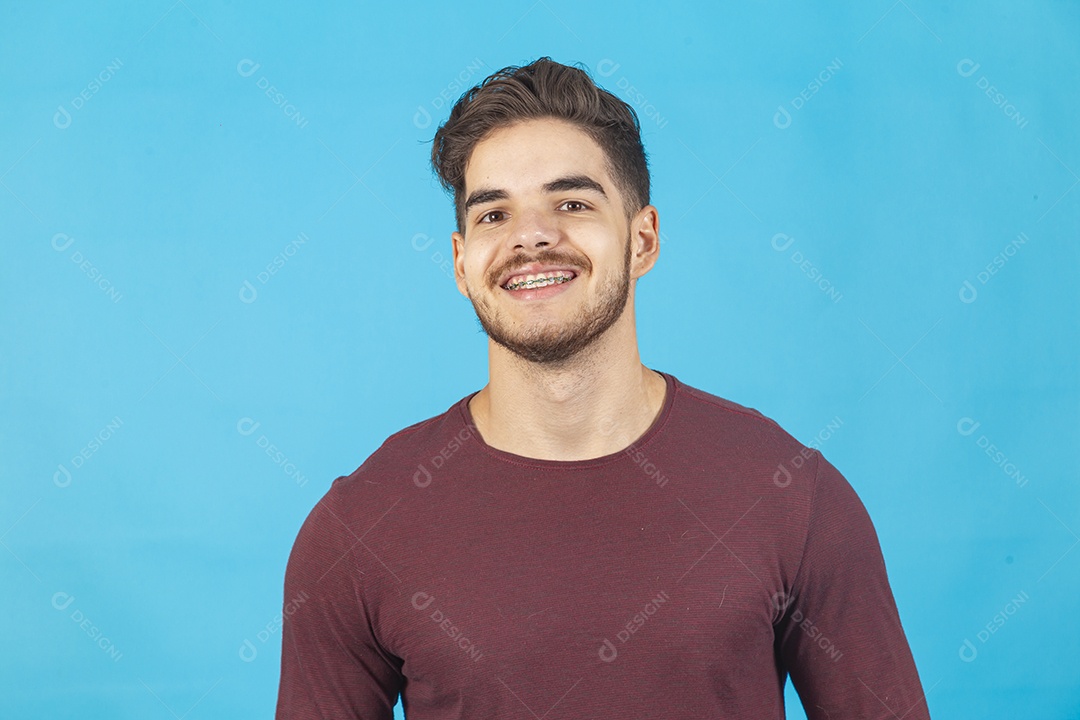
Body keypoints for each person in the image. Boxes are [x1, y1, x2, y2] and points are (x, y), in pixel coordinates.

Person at [275, 56, 932, 719]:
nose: (532, 236)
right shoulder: (360, 528)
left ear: (642, 240)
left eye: (572, 203)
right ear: (460, 263)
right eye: (494, 215)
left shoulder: (789, 494)